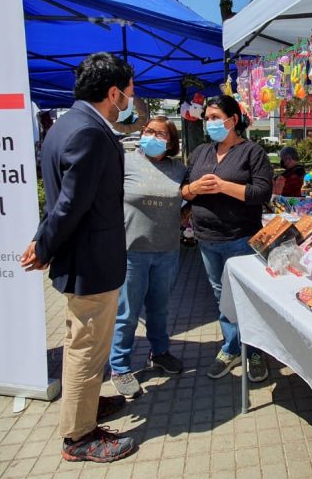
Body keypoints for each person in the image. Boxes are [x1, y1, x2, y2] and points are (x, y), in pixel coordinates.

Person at [20, 52, 137, 463]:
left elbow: (58, 199)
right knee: (87, 347)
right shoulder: (89, 131)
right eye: (130, 89)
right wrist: (45, 245)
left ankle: (84, 405)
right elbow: (69, 204)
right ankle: (79, 437)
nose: (131, 98)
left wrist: (41, 239)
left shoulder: (65, 125)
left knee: (80, 342)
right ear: (113, 92)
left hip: (83, 259)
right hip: (91, 263)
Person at [182, 95, 273, 381]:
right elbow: (183, 191)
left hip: (241, 237)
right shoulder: (200, 153)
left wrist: (223, 186)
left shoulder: (252, 152)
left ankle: (256, 350)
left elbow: (261, 194)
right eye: (207, 118)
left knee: (247, 295)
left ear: (232, 120)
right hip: (207, 238)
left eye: (215, 117)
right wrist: (194, 188)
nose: (209, 123)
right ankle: (231, 347)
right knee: (222, 296)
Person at [108, 116, 187, 398]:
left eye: (160, 133)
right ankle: (119, 365)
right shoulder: (126, 162)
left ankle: (160, 352)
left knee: (160, 308)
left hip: (167, 250)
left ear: (170, 141)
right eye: (149, 131)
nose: (152, 136)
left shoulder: (178, 169)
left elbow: (188, 199)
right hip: (132, 251)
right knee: (127, 313)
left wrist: (179, 220)